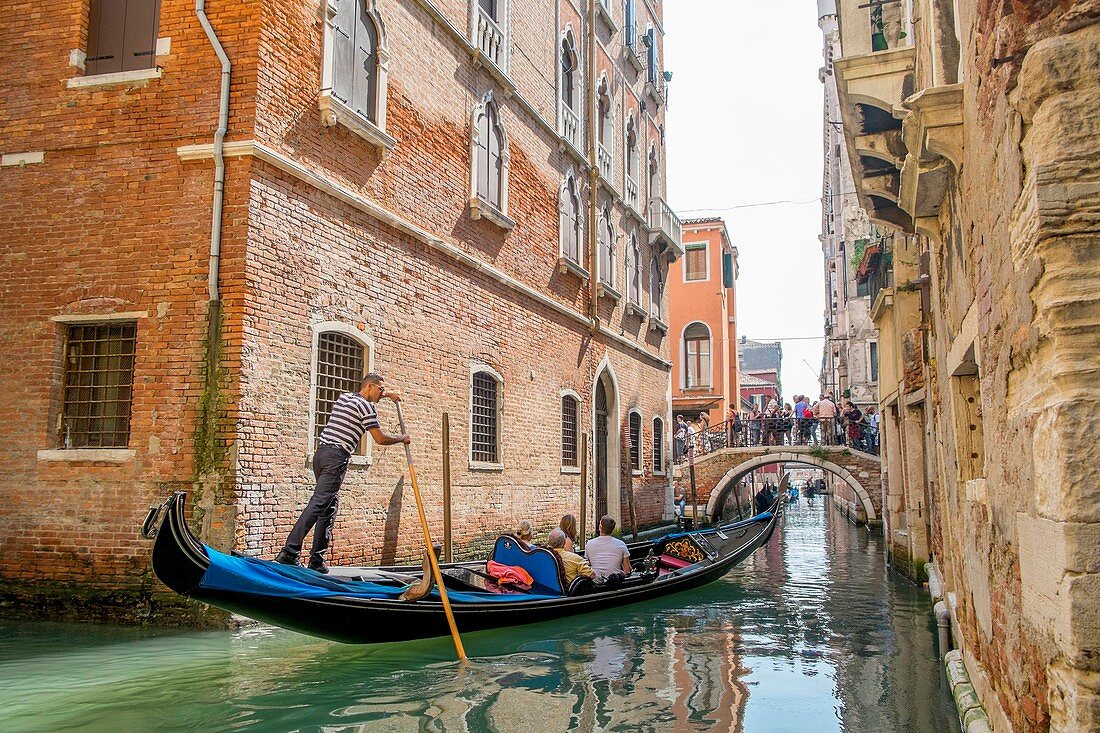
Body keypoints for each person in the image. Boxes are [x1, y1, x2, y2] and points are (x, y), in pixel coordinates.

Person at [275, 372, 409, 573]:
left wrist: (388, 394)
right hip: (336, 457)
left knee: (329, 506)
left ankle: (317, 562)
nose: (381, 394)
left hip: (321, 456)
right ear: (370, 387)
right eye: (380, 389)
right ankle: (290, 552)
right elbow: (380, 439)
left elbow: (373, 394)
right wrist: (402, 438)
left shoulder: (345, 398)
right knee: (320, 502)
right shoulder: (366, 408)